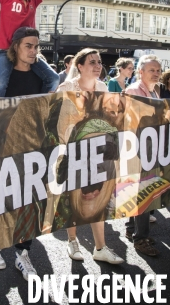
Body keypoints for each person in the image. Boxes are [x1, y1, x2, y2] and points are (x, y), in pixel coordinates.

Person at [0, 27, 50, 279]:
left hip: (32, 146)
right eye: (28, 46)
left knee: (31, 201)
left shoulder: (43, 77)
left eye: (36, 46)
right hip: (1, 146)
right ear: (16, 47)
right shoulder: (1, 76)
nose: (33, 51)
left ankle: (23, 255)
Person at [57, 48, 124, 264]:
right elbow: (58, 124)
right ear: (80, 66)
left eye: (99, 62)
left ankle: (100, 247)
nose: (98, 66)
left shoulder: (103, 88)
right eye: (92, 62)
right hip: (73, 151)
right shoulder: (66, 88)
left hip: (98, 151)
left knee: (98, 197)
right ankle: (72, 241)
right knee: (74, 196)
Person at [124, 54, 163, 256]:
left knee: (138, 191)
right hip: (138, 149)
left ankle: (132, 229)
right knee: (144, 193)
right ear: (141, 72)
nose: (156, 73)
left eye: (158, 70)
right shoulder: (133, 91)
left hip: (149, 147)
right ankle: (141, 239)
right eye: (152, 70)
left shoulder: (154, 91)